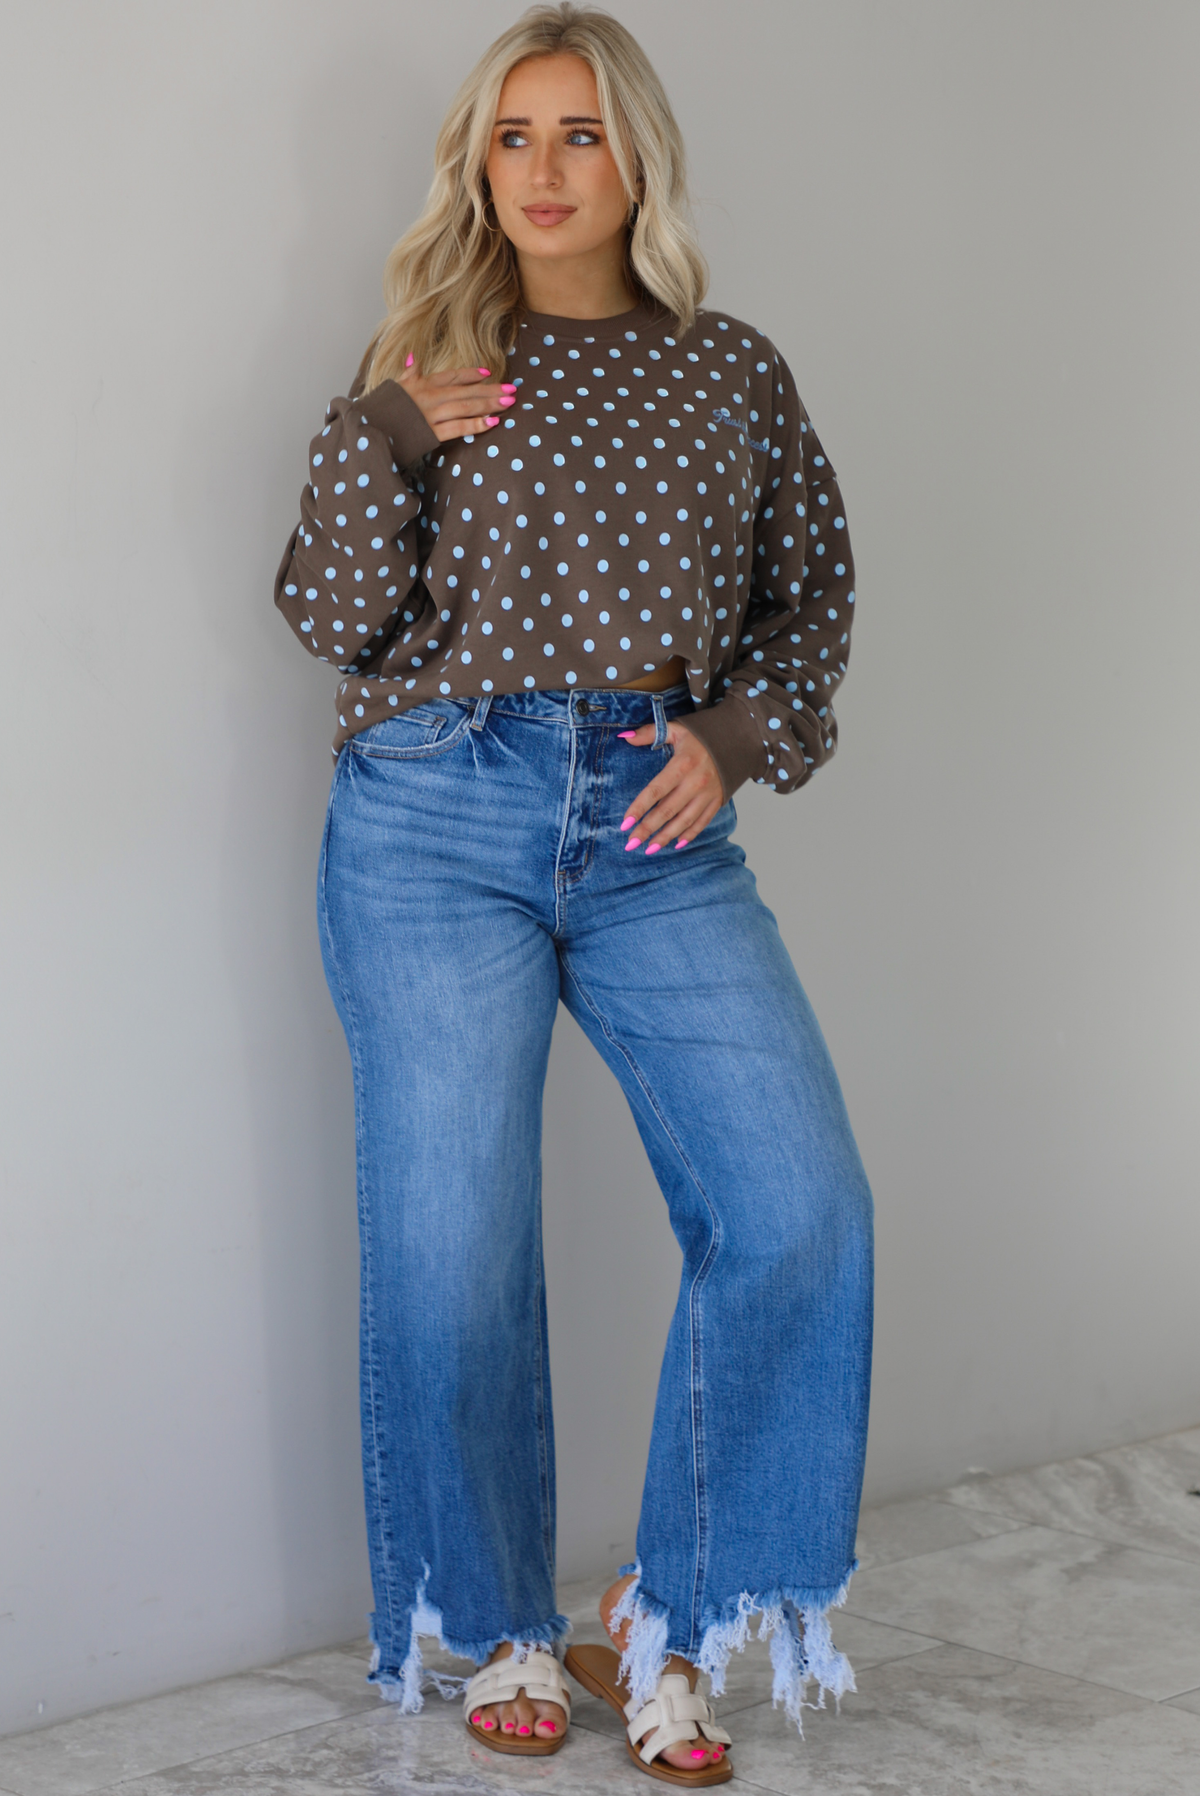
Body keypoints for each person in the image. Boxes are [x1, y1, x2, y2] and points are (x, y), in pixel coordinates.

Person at [274, 4, 873, 1784]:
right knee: (452, 1250)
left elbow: (810, 601)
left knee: (799, 1205)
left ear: (640, 163)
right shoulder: (425, 351)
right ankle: (503, 1624)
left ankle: (668, 1618)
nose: (542, 171)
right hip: (431, 812)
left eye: (580, 136)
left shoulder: (732, 368)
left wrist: (738, 733)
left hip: (651, 826)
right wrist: (381, 431)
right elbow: (330, 616)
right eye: (513, 136)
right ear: (477, 161)